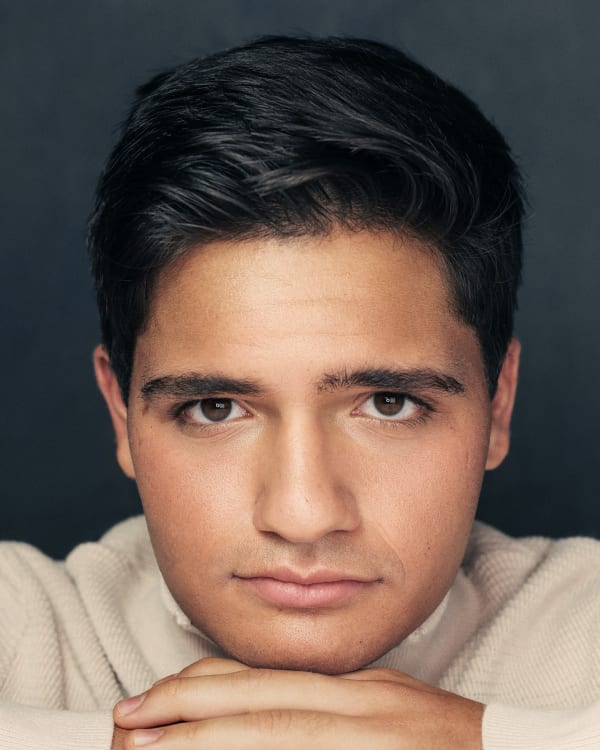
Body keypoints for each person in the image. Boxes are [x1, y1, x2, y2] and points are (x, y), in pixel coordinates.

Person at [1, 35, 599, 750]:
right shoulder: (24, 625)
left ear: (498, 405)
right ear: (120, 414)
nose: (303, 515)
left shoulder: (583, 624)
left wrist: (483, 741)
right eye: (216, 408)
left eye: (388, 403)